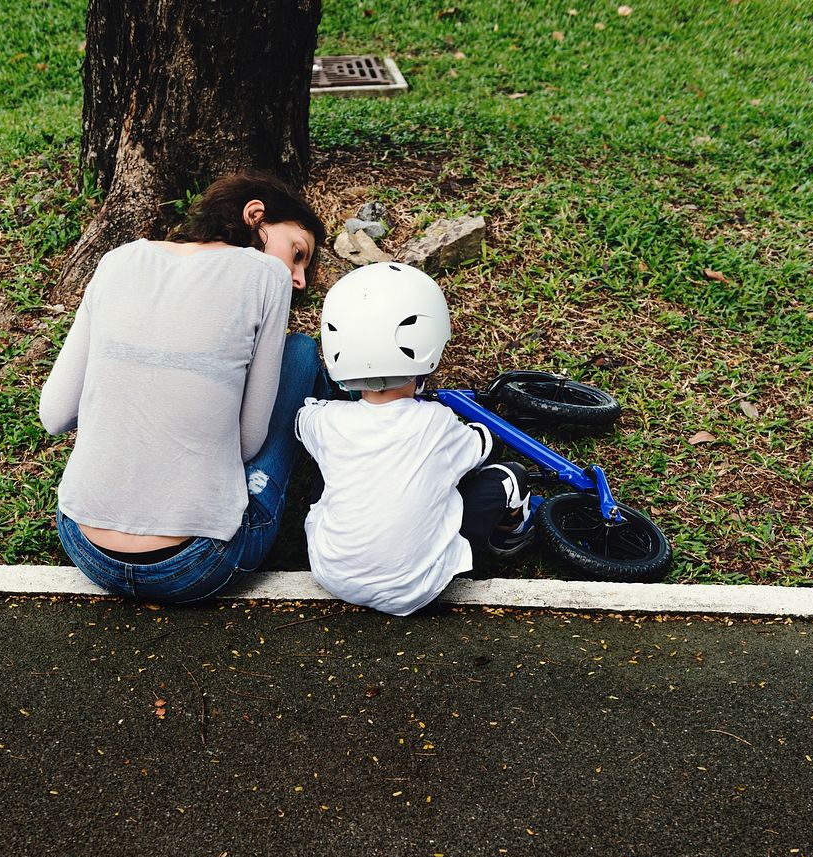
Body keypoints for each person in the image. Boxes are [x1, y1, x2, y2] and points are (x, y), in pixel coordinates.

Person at [39, 171, 326, 602]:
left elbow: (55, 413)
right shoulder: (267, 275)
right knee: (301, 351)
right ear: (255, 215)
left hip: (85, 547)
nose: (299, 278)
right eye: (298, 252)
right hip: (195, 563)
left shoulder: (118, 259)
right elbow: (247, 445)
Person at [295, 262, 535, 616]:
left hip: (333, 575)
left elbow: (303, 421)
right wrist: (482, 432)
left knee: (326, 463)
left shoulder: (327, 421)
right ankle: (508, 536)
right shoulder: (435, 421)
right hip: (415, 588)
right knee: (511, 476)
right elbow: (481, 446)